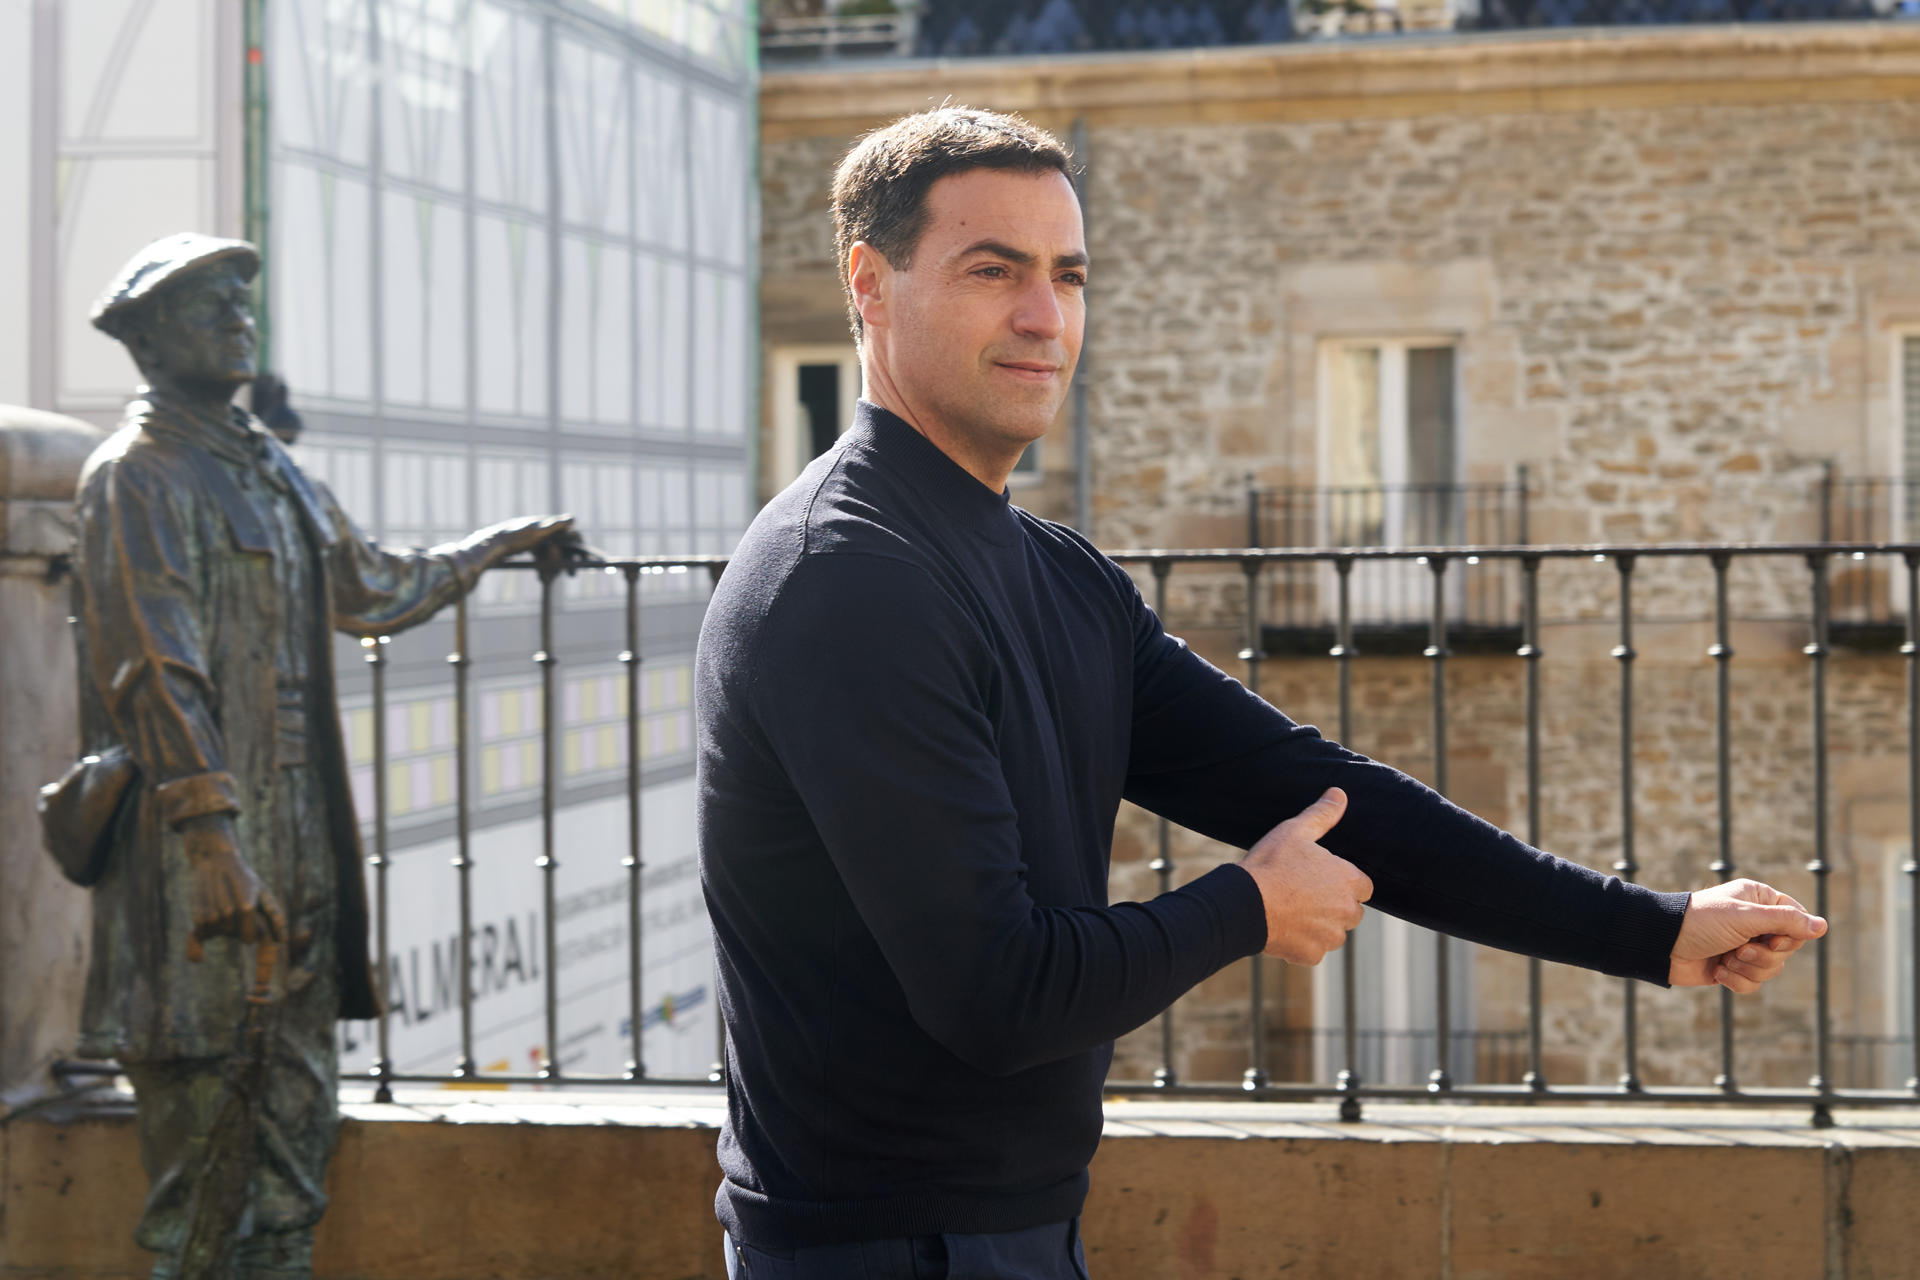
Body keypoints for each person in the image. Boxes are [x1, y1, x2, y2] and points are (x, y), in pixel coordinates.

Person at [695, 109, 1827, 1280]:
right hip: (872, 1253)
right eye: (994, 271)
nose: (1045, 316)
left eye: (1068, 275)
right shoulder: (844, 580)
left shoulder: (1057, 578)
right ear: (870, 287)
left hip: (1011, 1230)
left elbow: (1321, 793)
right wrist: (1246, 905)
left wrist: (1652, 927)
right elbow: (1001, 992)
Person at [65, 233, 577, 1280]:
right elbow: (152, 670)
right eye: (210, 303)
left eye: (242, 302)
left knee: (293, 1163)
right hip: (197, 864)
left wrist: (503, 543)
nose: (238, 318)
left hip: (296, 852)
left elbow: (374, 585)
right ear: (150, 337)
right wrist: (209, 838)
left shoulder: (263, 464)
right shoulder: (136, 476)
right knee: (204, 1187)